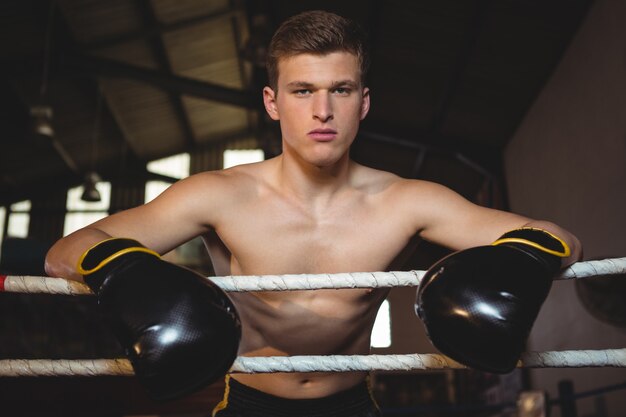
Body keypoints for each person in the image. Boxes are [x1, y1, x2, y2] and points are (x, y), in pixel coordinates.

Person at [45, 10, 582, 417]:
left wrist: (524, 261)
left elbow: (554, 239)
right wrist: (130, 274)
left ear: (363, 102)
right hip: (250, 402)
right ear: (273, 102)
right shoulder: (217, 194)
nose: (322, 111)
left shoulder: (409, 202)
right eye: (302, 91)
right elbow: (65, 253)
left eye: (339, 91)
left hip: (352, 401)